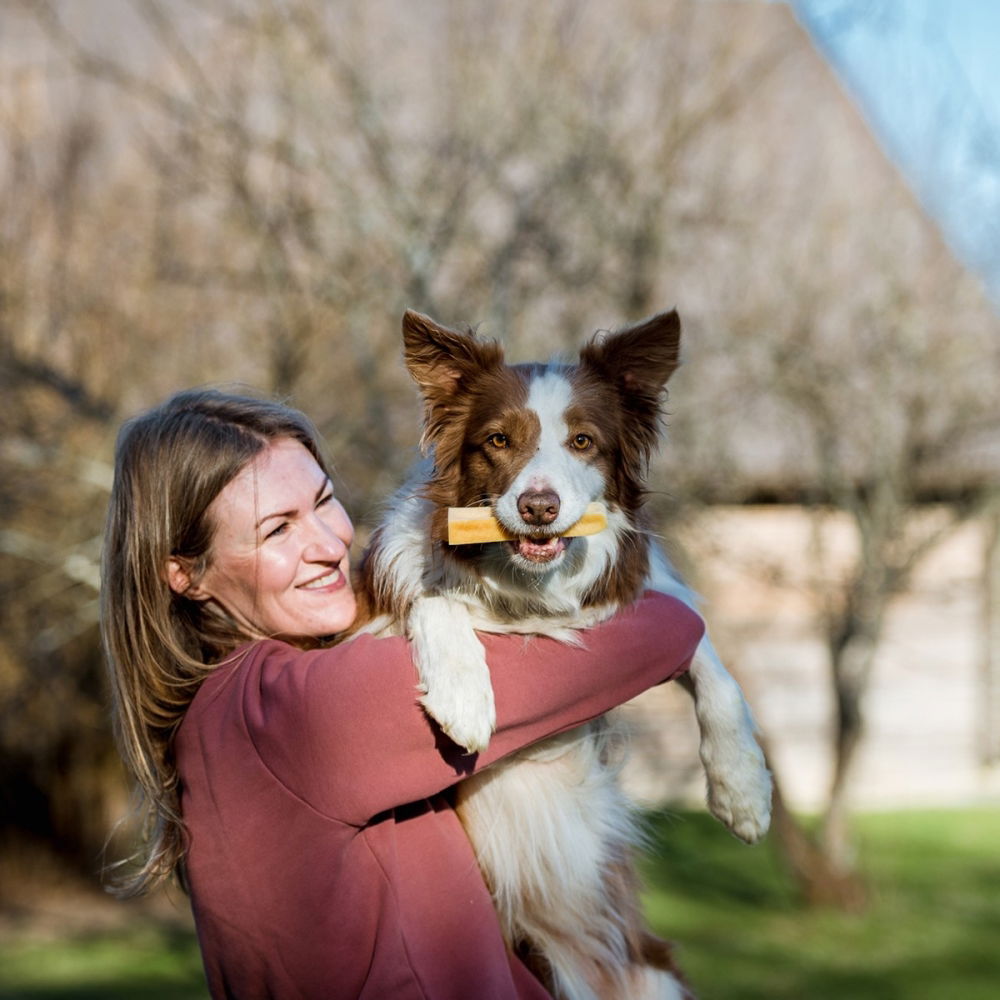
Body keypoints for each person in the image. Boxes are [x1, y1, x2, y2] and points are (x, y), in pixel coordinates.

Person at [101, 387, 704, 1000]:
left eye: (323, 501)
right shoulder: (303, 712)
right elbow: (662, 631)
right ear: (187, 574)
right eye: (278, 530)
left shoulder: (225, 712)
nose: (331, 543)